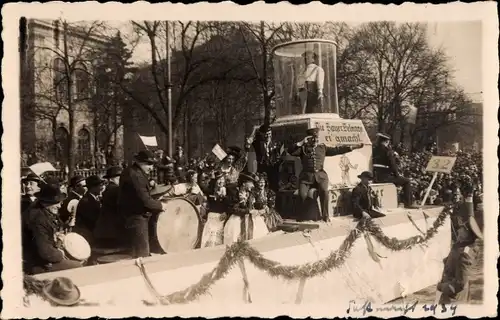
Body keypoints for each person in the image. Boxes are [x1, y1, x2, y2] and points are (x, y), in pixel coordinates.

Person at [288, 127, 364, 222]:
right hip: (306, 177)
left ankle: (325, 217)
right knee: (302, 195)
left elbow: (337, 150)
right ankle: (304, 217)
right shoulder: (303, 148)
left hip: (321, 176)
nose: (315, 140)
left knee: (324, 192)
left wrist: (353, 147)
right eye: (313, 138)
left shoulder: (322, 148)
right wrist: (301, 142)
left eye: (317, 138)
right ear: (308, 138)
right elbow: (290, 151)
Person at [25, 183, 82, 274]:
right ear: (45, 202)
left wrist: (59, 235)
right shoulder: (38, 219)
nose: (59, 206)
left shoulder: (44, 212)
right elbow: (45, 252)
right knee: (78, 266)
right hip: (38, 263)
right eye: (57, 202)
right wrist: (61, 254)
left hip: (43, 258)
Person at [118, 150, 164, 258]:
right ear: (139, 162)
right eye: (148, 164)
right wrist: (161, 205)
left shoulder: (133, 171)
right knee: (141, 254)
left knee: (140, 252)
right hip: (136, 218)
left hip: (134, 216)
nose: (151, 168)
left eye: (152, 164)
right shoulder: (136, 175)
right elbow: (145, 201)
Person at [372, 133, 418, 209]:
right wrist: (397, 175)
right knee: (406, 181)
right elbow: (392, 165)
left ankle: (401, 201)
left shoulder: (374, 149)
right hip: (385, 177)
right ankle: (409, 203)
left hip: (376, 176)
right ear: (387, 141)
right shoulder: (388, 151)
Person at [224, 173, 269, 244]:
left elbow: (254, 204)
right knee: (236, 241)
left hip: (251, 219)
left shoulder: (251, 193)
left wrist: (262, 207)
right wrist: (249, 211)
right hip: (237, 220)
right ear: (244, 183)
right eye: (251, 183)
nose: (253, 185)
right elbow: (234, 209)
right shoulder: (235, 194)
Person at [94, 166, 124, 247]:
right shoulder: (115, 189)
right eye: (120, 177)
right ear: (112, 178)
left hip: (106, 230)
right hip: (111, 231)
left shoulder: (110, 188)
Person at [200, 171, 230, 248]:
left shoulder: (227, 191)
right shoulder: (210, 191)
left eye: (222, 179)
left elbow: (230, 205)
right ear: (215, 181)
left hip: (220, 218)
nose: (221, 181)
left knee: (217, 240)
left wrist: (226, 213)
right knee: (208, 239)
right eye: (219, 180)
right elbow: (201, 186)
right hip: (211, 218)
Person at [250, 124, 282, 192]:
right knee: (261, 190)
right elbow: (252, 159)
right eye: (266, 134)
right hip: (261, 171)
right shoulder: (255, 144)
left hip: (273, 172)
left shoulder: (277, 144)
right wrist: (254, 173)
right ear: (261, 134)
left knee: (274, 190)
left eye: (269, 134)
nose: (268, 136)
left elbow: (280, 157)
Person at [75, 175, 106, 244]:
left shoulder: (94, 198)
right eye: (100, 186)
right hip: (88, 235)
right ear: (93, 187)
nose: (102, 188)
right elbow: (92, 220)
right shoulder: (87, 201)